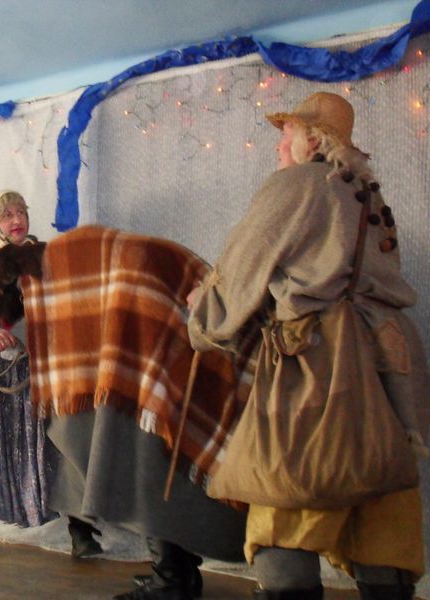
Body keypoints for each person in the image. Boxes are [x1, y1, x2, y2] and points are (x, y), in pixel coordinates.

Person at [187, 92, 429, 599]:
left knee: (286, 491)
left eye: (287, 134)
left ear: (313, 141)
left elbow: (243, 266)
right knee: (378, 500)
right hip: (386, 363)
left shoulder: (298, 184)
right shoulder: (366, 194)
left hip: (318, 360)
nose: (279, 146)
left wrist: (203, 314)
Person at [0, 189, 100, 556]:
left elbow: (71, 301)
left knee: (61, 442)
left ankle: (80, 530)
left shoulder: (47, 259)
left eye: (21, 212)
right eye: (7, 215)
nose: (16, 220)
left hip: (44, 368)